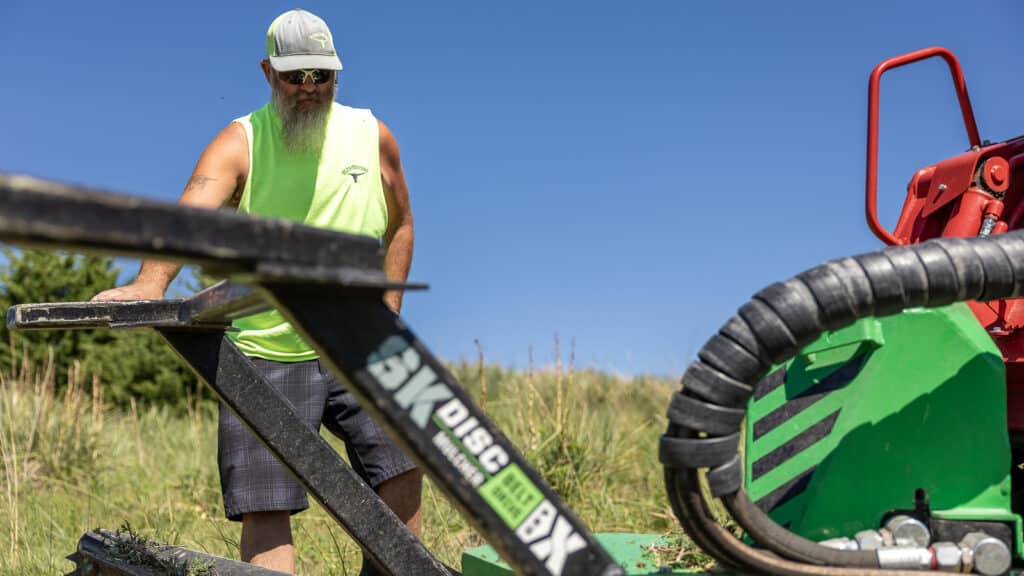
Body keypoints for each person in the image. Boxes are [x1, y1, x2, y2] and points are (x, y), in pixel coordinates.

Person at [92, 8, 420, 574]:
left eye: (322, 75)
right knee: (267, 505)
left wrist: (389, 312)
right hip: (267, 351)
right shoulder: (242, 140)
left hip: (358, 341)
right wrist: (149, 283)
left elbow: (401, 224)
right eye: (296, 76)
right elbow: (187, 221)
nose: (310, 88)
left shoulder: (373, 135)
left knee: (401, 469)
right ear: (269, 73)